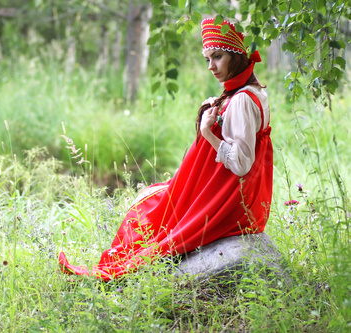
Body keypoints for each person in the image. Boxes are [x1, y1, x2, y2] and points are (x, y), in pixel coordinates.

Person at [59, 17, 273, 281]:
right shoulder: (248, 91)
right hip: (233, 191)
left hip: (231, 199)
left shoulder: (241, 99)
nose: (211, 66)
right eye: (207, 59)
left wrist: (208, 132)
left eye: (217, 56)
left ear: (236, 55)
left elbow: (241, 164)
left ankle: (114, 272)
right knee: (155, 200)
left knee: (156, 222)